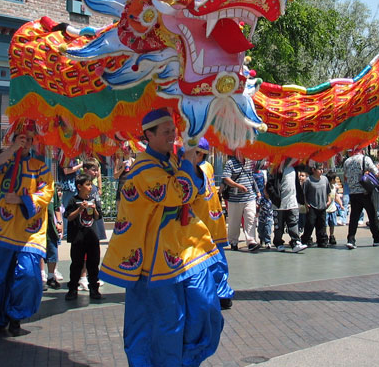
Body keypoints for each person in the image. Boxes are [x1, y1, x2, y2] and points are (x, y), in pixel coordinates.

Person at [99, 109, 222, 367]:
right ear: (149, 135)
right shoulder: (143, 168)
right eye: (165, 131)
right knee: (165, 324)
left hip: (185, 250)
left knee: (206, 307)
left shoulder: (173, 161)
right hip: (155, 261)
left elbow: (197, 191)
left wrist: (190, 163)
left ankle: (186, 360)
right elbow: (176, 193)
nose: (171, 135)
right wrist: (188, 162)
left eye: (172, 130)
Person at [0, 125, 54, 336]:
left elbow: (46, 193)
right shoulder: (4, 160)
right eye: (22, 138)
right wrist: (13, 149)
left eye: (30, 139)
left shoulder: (40, 167)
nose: (26, 142)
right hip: (1, 229)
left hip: (28, 232)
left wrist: (23, 199)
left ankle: (16, 315)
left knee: (29, 274)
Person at [193, 138, 235, 309]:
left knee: (212, 262)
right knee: (214, 262)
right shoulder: (204, 168)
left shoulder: (199, 170)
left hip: (206, 226)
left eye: (195, 152)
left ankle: (218, 294)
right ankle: (220, 294)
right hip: (206, 225)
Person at [64, 174, 103, 301]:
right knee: (76, 264)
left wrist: (94, 209)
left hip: (92, 237)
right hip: (78, 238)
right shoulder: (73, 201)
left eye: (91, 184)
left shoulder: (93, 199)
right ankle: (72, 289)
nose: (90, 187)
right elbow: (69, 217)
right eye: (87, 184)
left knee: (93, 263)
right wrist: (80, 209)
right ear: (79, 186)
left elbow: (97, 217)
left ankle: (94, 289)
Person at [342, 150, 379, 249]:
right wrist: (377, 168)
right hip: (365, 192)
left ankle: (351, 240)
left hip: (353, 193)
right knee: (372, 216)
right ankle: (377, 239)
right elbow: (376, 173)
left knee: (354, 217)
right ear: (361, 150)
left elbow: (345, 177)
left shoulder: (347, 161)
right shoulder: (365, 159)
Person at [222, 151, 260, 251]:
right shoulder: (230, 163)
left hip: (249, 197)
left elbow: (252, 177)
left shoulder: (250, 162)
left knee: (251, 218)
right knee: (234, 222)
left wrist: (257, 191)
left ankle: (251, 241)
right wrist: (238, 186)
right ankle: (233, 242)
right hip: (235, 199)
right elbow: (226, 178)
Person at [272, 161, 307, 253]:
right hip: (279, 204)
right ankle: (278, 242)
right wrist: (275, 198)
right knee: (279, 226)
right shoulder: (276, 169)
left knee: (294, 222)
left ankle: (295, 242)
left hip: (292, 202)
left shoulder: (294, 168)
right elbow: (270, 185)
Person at [300, 164, 332, 248]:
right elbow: (304, 193)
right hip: (312, 207)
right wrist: (306, 203)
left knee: (322, 225)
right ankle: (305, 240)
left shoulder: (325, 179)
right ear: (314, 170)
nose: (321, 171)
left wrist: (329, 200)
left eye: (322, 169)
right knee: (310, 224)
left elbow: (328, 191)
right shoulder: (308, 180)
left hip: (322, 206)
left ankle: (322, 241)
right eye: (319, 169)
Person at [44, 183, 63, 290]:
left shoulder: (51, 188)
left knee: (53, 250)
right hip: (38, 226)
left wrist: (59, 221)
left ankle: (51, 276)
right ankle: (41, 276)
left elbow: (57, 207)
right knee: (40, 252)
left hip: (50, 226)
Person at [253, 161, 273, 249]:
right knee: (260, 228)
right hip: (261, 215)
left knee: (268, 228)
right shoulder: (253, 174)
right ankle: (261, 239)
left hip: (268, 217)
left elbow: (265, 182)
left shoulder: (261, 174)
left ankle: (268, 241)